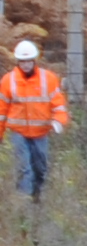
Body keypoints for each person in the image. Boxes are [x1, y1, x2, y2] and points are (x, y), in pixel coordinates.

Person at [0, 42, 62, 201]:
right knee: (24, 168)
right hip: (18, 133)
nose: (26, 65)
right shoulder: (8, 81)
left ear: (35, 61)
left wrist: (58, 121)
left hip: (41, 133)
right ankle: (24, 204)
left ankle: (37, 197)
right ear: (18, 62)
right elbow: (1, 111)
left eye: (28, 61)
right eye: (22, 61)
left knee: (40, 168)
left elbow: (58, 104)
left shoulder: (48, 79)